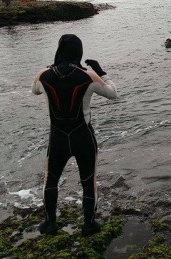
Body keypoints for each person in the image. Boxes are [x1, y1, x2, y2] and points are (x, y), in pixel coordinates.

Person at [31, 34, 118, 236]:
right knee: (88, 181)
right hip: (83, 137)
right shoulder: (87, 75)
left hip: (58, 138)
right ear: (79, 51)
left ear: (59, 50)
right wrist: (101, 72)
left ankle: (50, 223)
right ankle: (89, 224)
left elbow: (35, 90)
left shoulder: (43, 75)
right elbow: (113, 93)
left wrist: (48, 68)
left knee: (50, 180)